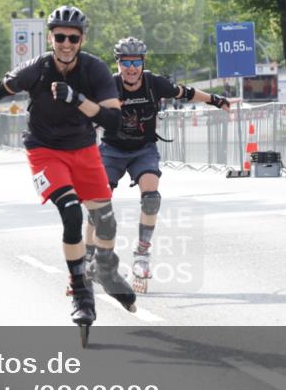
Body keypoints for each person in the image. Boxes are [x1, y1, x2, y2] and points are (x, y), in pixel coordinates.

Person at [0, 5, 136, 334]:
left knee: (105, 221)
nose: (66, 44)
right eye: (59, 37)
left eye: (73, 38)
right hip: (45, 151)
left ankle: (107, 269)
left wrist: (77, 98)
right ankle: (81, 294)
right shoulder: (36, 68)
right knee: (71, 212)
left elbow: (112, 119)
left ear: (82, 39)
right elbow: (0, 89)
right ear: (50, 38)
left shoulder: (94, 70)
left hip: (84, 149)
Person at [87, 37, 230, 293]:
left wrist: (215, 100)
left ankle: (142, 254)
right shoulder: (108, 86)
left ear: (143, 63)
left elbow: (185, 93)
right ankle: (89, 259)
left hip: (143, 149)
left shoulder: (154, 83)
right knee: (98, 201)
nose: (131, 68)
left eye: (136, 62)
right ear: (117, 63)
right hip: (112, 151)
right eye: (125, 62)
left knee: (151, 198)